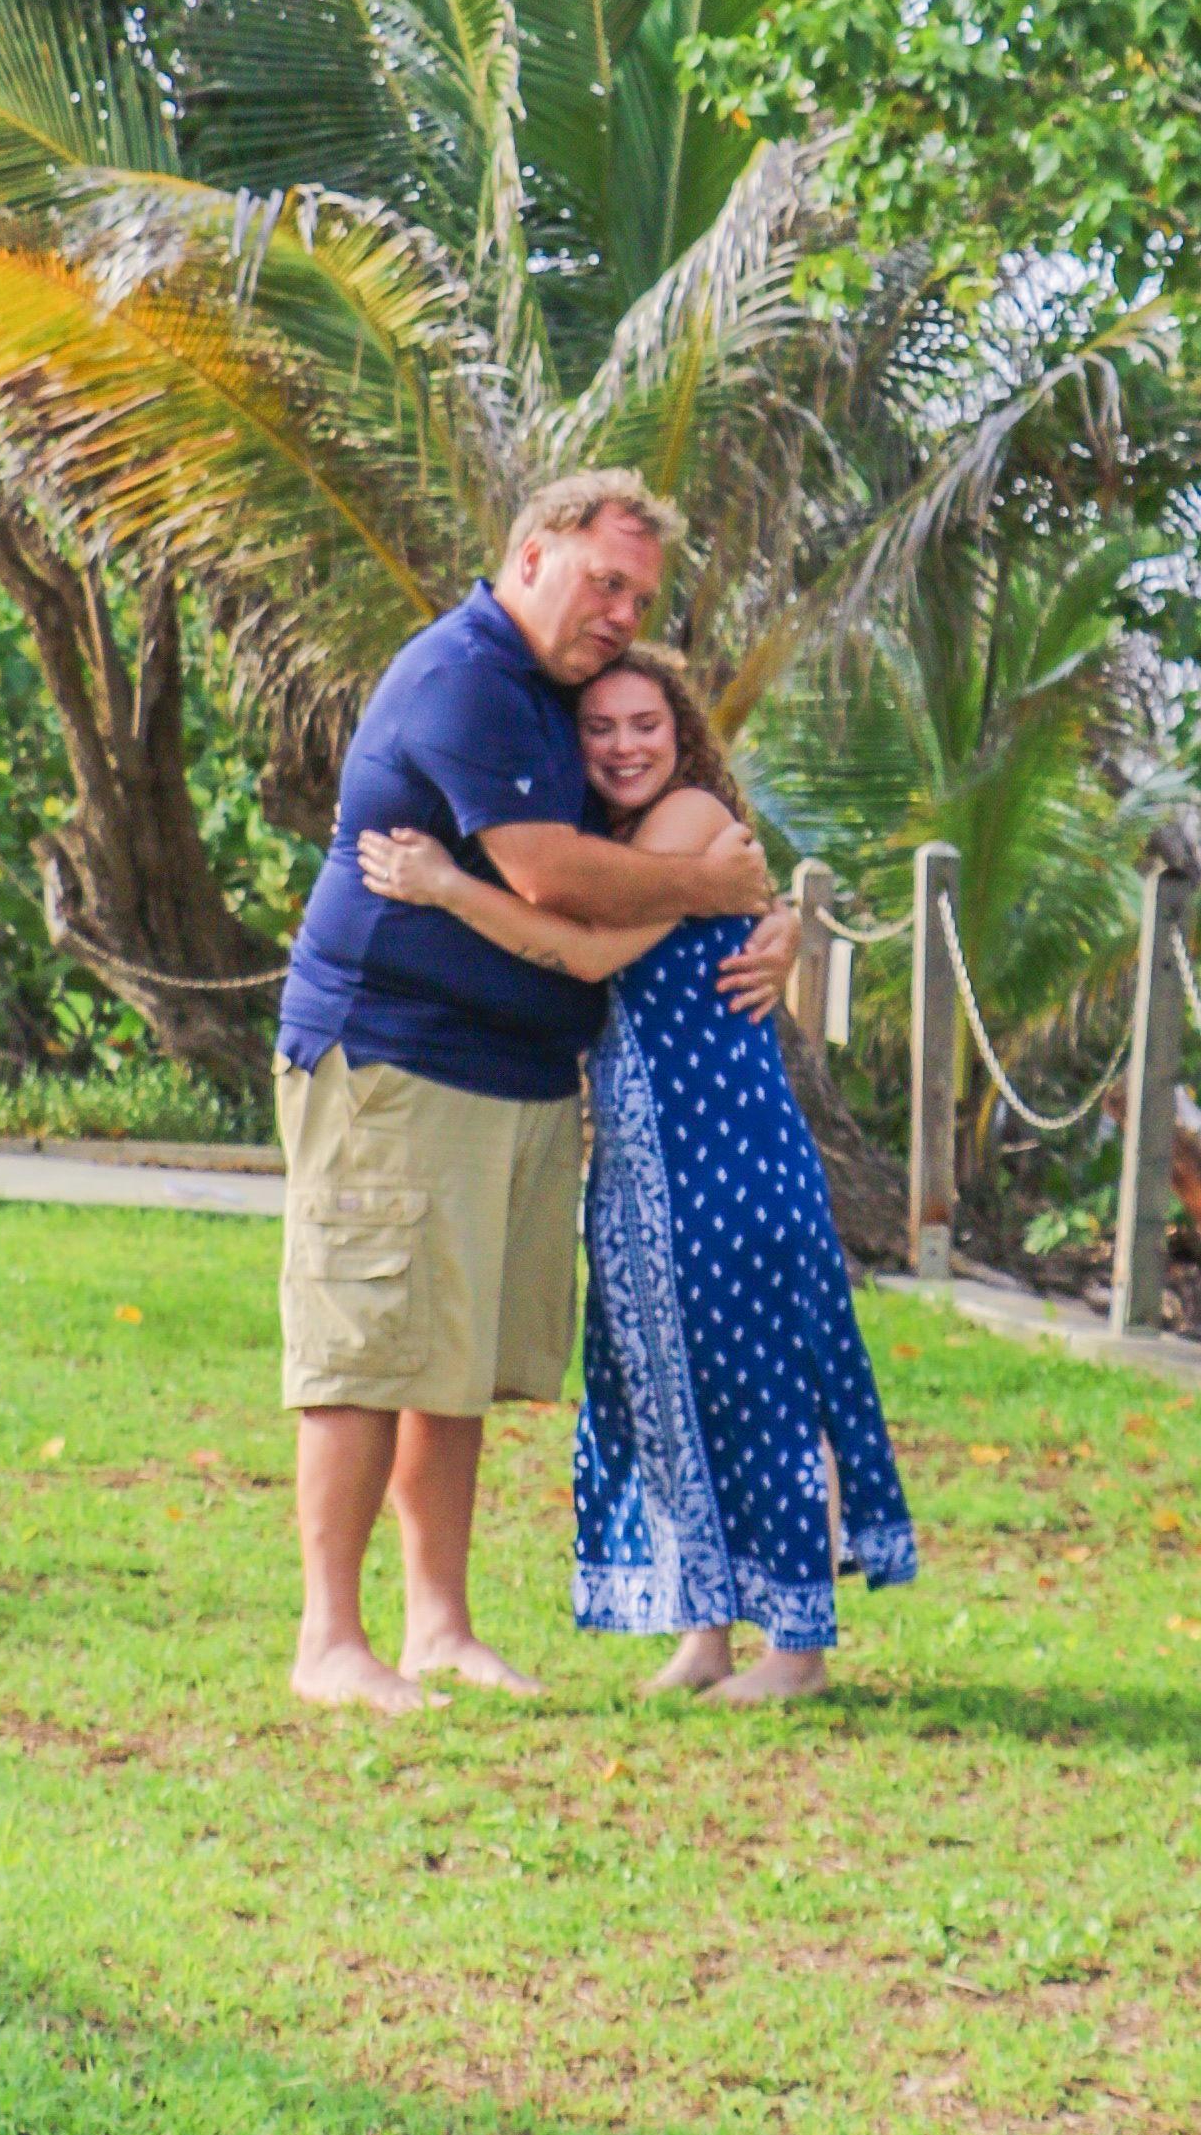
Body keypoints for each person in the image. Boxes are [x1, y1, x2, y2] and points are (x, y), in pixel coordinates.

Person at [271, 475, 801, 1713]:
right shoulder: (465, 677)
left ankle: (439, 1628)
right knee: (365, 1348)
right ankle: (329, 1644)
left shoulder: (559, 695)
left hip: (512, 1069)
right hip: (393, 1057)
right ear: (528, 557)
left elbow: (691, 827)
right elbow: (555, 876)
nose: (620, 613)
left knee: (449, 1360)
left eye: (641, 597)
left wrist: (768, 923)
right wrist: (709, 892)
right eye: (603, 581)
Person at [357, 652, 916, 1704]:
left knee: (760, 1387)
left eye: (644, 724)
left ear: (683, 734)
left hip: (727, 1154)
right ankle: (703, 1638)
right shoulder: (604, 845)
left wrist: (444, 886)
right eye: (600, 728)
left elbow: (589, 955)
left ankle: (796, 1652)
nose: (622, 745)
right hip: (638, 1161)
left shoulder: (689, 820)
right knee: (665, 1388)